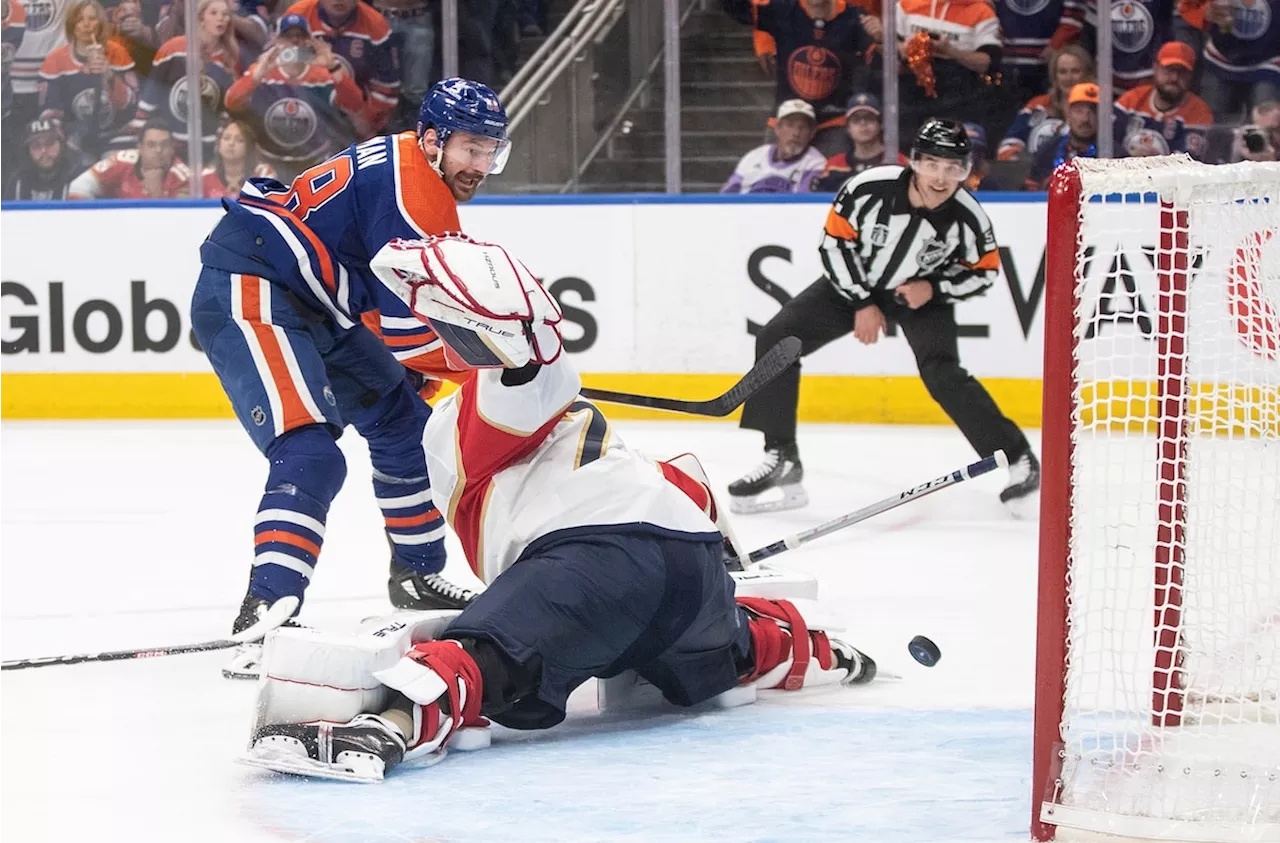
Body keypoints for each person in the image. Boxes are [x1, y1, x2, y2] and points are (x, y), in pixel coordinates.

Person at [243, 235, 876, 780]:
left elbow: (524, 364)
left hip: (593, 565)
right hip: (692, 562)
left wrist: (493, 325)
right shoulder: (549, 416)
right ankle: (807, 646)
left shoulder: (469, 415)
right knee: (721, 650)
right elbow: (685, 483)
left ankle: (386, 730)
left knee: (482, 654)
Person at [190, 77, 511, 679]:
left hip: (315, 299)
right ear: (434, 140)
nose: (481, 164)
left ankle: (417, 573)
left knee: (405, 426)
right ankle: (266, 611)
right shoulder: (417, 195)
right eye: (471, 147)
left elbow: (388, 307)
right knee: (311, 451)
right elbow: (413, 333)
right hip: (253, 288)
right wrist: (496, 369)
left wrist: (448, 369)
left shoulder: (416, 170)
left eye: (491, 150)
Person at [728, 119, 1039, 516]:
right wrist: (861, 302)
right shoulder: (868, 188)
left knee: (943, 374)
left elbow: (986, 271)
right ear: (915, 162)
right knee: (779, 337)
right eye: (933, 165)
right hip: (856, 284)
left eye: (953, 168)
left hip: (921, 295)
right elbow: (834, 245)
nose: (942, 178)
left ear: (964, 171)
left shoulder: (968, 217)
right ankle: (781, 455)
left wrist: (935, 289)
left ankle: (1019, 458)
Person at [722, 0, 881, 157]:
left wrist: (882, 38)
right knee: (769, 177)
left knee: (833, 179)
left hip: (831, 123)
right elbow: (738, 9)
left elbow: (883, 62)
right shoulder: (782, 10)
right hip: (787, 120)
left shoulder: (855, 18)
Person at [223, 12, 364, 181]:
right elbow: (231, 102)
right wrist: (258, 74)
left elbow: (355, 105)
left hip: (315, 164)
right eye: (288, 37)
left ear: (309, 41)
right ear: (276, 40)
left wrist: (333, 67)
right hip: (269, 165)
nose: (295, 42)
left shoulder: (323, 75)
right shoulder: (263, 73)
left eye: (300, 36)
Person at [130, 0, 240, 157]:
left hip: (208, 148)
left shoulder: (228, 58)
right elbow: (150, 98)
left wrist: (220, 142)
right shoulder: (173, 49)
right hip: (169, 146)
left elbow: (224, 112)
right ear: (201, 17)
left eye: (225, 14)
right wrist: (137, 139)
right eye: (214, 13)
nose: (221, 18)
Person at [37, 0, 139, 161]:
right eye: (79, 19)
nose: (86, 24)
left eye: (92, 19)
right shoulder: (55, 60)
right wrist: (64, 136)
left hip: (116, 133)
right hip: (75, 136)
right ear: (72, 24)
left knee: (117, 166)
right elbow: (49, 112)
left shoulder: (117, 52)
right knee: (75, 164)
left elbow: (130, 105)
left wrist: (108, 74)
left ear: (100, 23)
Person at [1114, 41, 1213, 159]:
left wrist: (1154, 161)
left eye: (1182, 72)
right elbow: (1108, 142)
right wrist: (1129, 157)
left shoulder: (1199, 112)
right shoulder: (1131, 100)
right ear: (1155, 68)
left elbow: (1189, 162)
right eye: (1169, 69)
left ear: (1191, 76)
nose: (1175, 77)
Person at [998, 44, 1094, 162]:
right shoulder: (1039, 105)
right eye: (1062, 72)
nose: (1068, 78)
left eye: (1075, 71)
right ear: (1054, 76)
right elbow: (1010, 142)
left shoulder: (1099, 108)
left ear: (1087, 74)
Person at [721, 98, 827, 194]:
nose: (796, 133)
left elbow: (805, 206)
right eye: (789, 125)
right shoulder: (754, 157)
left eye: (803, 127)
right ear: (777, 128)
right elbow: (726, 197)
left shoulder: (815, 164)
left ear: (812, 133)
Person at [67, 117, 191, 198]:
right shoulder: (122, 160)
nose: (158, 150)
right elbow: (78, 187)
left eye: (164, 144)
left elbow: (179, 222)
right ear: (140, 148)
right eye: (151, 145)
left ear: (172, 148)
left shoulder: (183, 177)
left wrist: (156, 194)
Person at [810, 92, 907, 193]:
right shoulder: (833, 166)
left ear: (881, 124)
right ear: (848, 128)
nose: (863, 123)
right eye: (856, 119)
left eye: (869, 118)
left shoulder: (899, 162)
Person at [1027, 81, 1098, 189]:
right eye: (1079, 111)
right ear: (1068, 113)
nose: (1085, 119)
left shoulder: (1115, 155)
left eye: (1092, 112)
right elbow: (1029, 194)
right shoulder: (1047, 151)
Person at [3, 116, 78, 200]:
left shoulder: (77, 180)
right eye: (36, 145)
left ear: (62, 146)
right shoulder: (17, 183)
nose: (44, 151)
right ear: (28, 151)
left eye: (49, 143)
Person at [200, 117, 277, 196]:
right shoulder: (204, 177)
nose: (231, 143)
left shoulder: (263, 174)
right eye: (226, 138)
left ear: (248, 147)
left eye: (239, 140)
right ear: (218, 145)